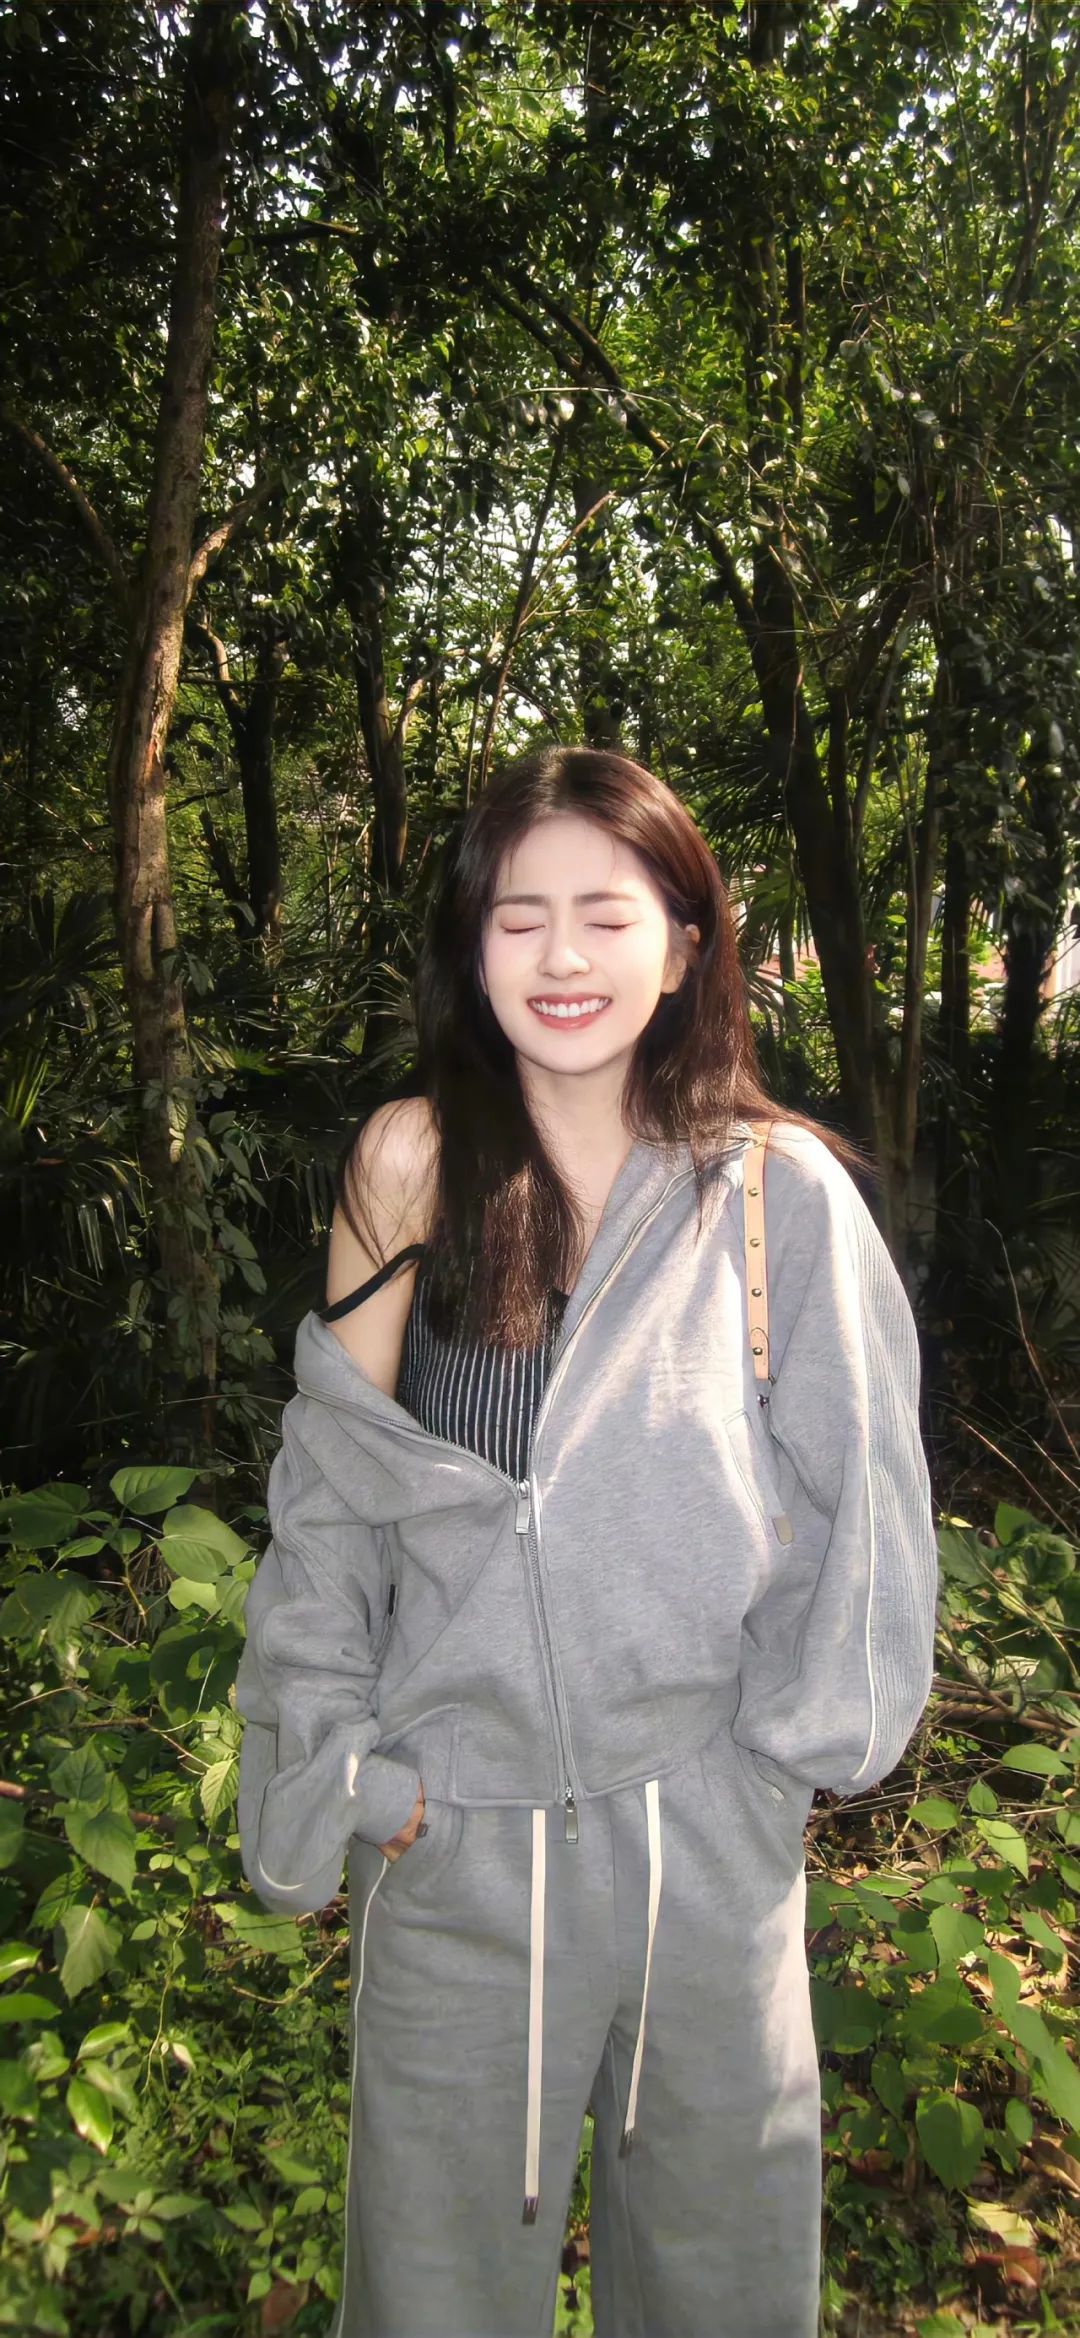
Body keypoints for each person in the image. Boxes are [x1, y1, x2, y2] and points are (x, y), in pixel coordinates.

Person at [236, 745, 938, 2338]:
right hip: (456, 1850)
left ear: (685, 945)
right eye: (519, 916)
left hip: (707, 1860)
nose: (563, 956)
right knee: (431, 2303)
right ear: (471, 946)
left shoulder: (774, 1197)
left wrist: (770, 1772)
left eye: (608, 915)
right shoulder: (411, 1165)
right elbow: (333, 1495)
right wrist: (347, 1775)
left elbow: (867, 1515)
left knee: (721, 2297)